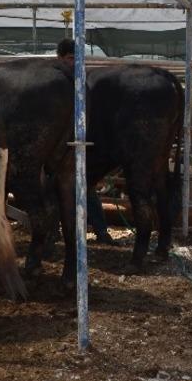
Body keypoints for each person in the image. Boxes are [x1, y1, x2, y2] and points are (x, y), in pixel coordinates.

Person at [56, 37, 115, 245]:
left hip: (81, 144)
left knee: (85, 187)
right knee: (58, 191)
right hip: (58, 148)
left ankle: (101, 232)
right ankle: (57, 233)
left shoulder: (82, 83)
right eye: (70, 58)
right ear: (60, 58)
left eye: (77, 59)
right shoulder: (53, 84)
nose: (74, 63)